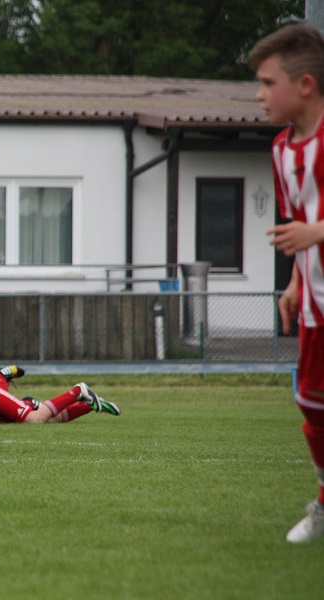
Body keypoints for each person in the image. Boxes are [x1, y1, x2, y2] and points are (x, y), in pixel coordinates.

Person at [251, 23, 324, 543]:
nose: (259, 94)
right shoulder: (281, 150)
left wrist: (315, 233)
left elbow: (308, 227)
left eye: (267, 82)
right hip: (317, 302)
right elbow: (300, 220)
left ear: (305, 84)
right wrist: (296, 282)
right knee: (312, 403)